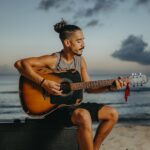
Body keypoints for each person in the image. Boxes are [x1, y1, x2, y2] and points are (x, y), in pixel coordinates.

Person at [14, 20, 125, 150]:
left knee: (112, 114)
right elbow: (20, 64)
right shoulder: (54, 59)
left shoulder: (81, 61)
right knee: (84, 115)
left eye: (83, 40)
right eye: (79, 41)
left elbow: (89, 87)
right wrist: (44, 83)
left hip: (74, 107)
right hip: (55, 109)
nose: (83, 45)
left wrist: (110, 87)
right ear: (67, 43)